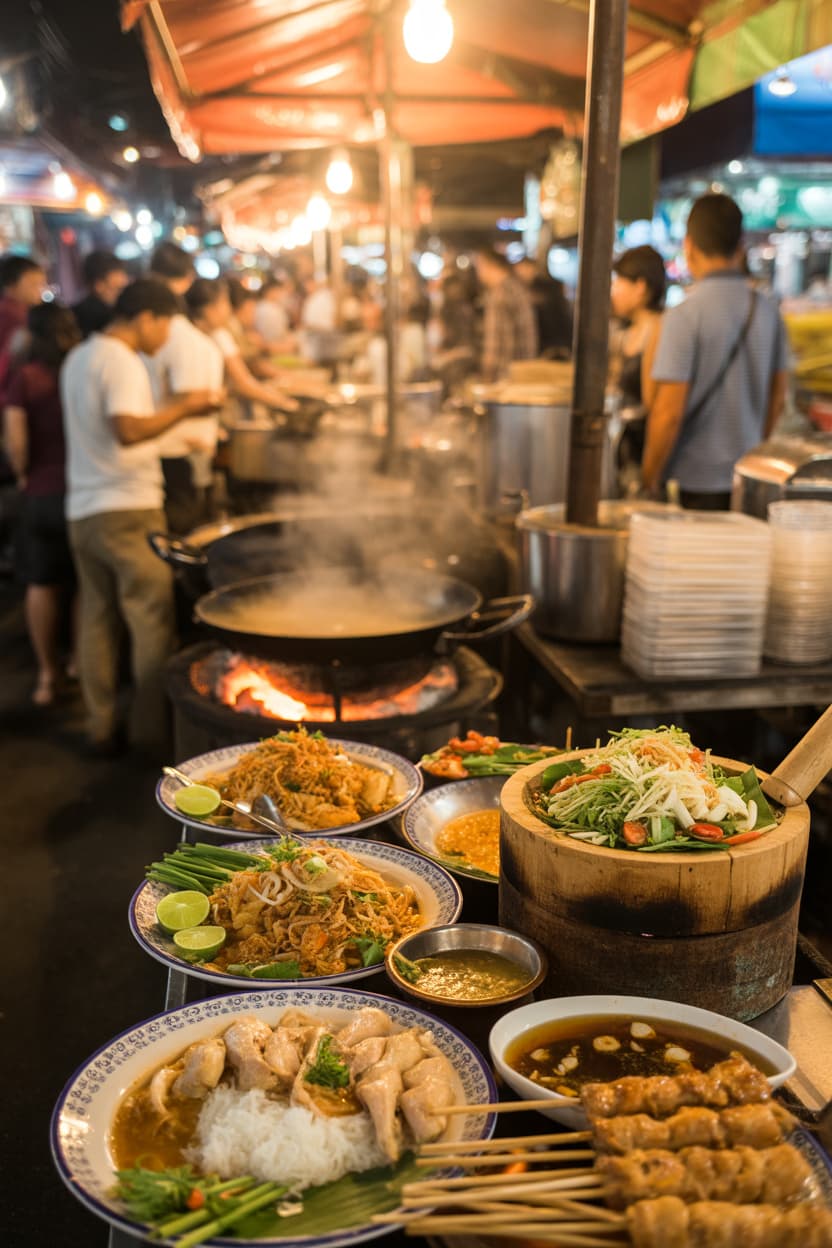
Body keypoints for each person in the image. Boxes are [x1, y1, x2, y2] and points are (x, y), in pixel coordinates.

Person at [62, 279, 222, 754]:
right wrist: (186, 405)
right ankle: (150, 736)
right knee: (151, 620)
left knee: (97, 619)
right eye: (167, 324)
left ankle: (100, 727)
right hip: (128, 508)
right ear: (146, 317)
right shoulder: (122, 360)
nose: (168, 337)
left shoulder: (79, 357)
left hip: (83, 510)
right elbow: (128, 430)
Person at [644, 194, 789, 510]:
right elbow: (778, 398)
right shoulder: (768, 312)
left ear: (689, 246)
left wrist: (648, 478)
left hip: (693, 482)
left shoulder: (683, 317)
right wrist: (753, 450)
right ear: (740, 246)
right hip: (750, 481)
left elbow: (668, 413)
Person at [3, 304, 80, 705]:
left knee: (42, 584)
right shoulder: (78, 371)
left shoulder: (26, 378)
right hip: (83, 490)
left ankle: (48, 676)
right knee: (83, 583)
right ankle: (80, 662)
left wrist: (22, 475)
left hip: (42, 492)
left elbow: (17, 442)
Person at [610, 245, 666, 410]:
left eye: (619, 282)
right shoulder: (626, 331)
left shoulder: (661, 331)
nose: (613, 291)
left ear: (640, 286)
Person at [475, 248, 538, 381]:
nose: (478, 273)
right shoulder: (516, 286)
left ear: (489, 265)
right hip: (523, 370)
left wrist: (488, 377)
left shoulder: (500, 294)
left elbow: (497, 344)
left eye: (479, 267)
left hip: (507, 377)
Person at [0, 255, 47, 397]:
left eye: (42, 284)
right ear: (10, 284)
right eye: (33, 284)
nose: (40, 290)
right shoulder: (14, 316)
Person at [515, 257, 573, 359]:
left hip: (552, 341)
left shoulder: (547, 288)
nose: (521, 273)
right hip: (543, 341)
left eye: (524, 269)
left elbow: (557, 316)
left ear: (534, 269)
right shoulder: (522, 289)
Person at [72, 251, 129, 338]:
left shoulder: (71, 315)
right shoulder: (110, 321)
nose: (122, 295)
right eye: (118, 289)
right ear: (98, 286)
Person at [253, 276, 294, 351]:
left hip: (275, 344)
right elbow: (273, 333)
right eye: (278, 290)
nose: (281, 293)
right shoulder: (266, 308)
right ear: (270, 291)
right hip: (272, 346)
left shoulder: (272, 306)